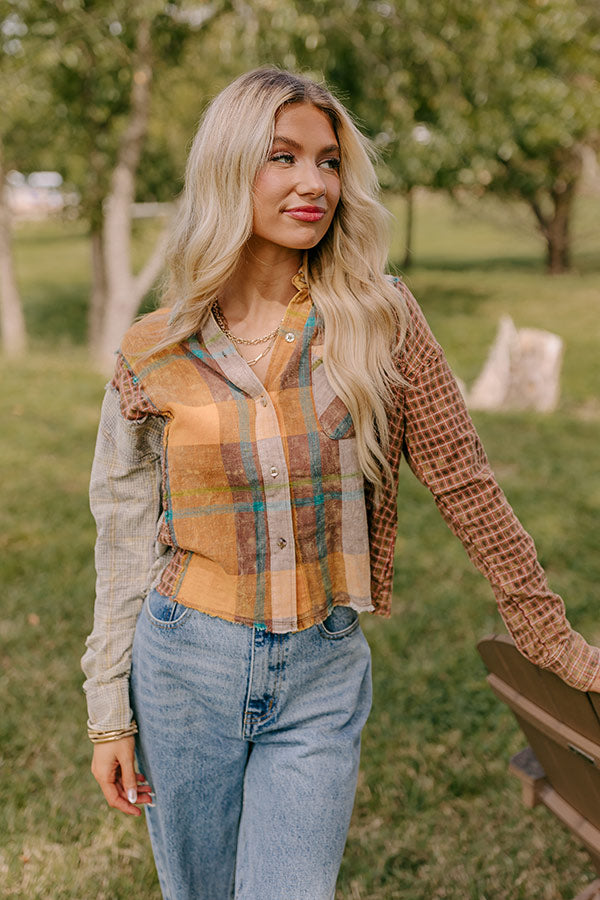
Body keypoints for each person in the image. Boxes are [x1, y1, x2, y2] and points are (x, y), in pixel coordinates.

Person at [82, 67, 600, 900]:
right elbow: (122, 539)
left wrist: (550, 638)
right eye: (283, 157)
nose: (314, 182)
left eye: (328, 161)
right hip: (183, 669)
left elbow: (468, 486)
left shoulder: (380, 318)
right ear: (229, 169)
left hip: (318, 674)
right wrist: (109, 709)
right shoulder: (154, 350)